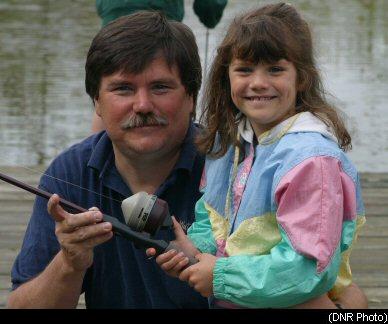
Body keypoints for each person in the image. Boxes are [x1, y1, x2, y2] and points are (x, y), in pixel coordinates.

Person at [6, 10, 366, 309]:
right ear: (96, 103)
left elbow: (340, 294)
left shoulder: (232, 155)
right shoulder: (69, 171)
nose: (143, 105)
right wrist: (70, 262)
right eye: (123, 89)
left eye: (161, 87)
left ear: (192, 97)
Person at [148, 3, 367, 309]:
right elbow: (211, 220)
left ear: (301, 77)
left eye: (275, 69)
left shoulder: (310, 162)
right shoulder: (228, 143)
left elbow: (308, 269)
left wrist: (221, 276)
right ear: (227, 77)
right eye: (244, 70)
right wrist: (193, 249)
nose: (258, 83)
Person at [91, 0, 228, 133]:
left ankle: (95, 152)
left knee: (113, 93)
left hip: (112, 25)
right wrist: (210, 13)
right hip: (164, 30)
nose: (142, 105)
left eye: (160, 87)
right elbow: (210, 8)